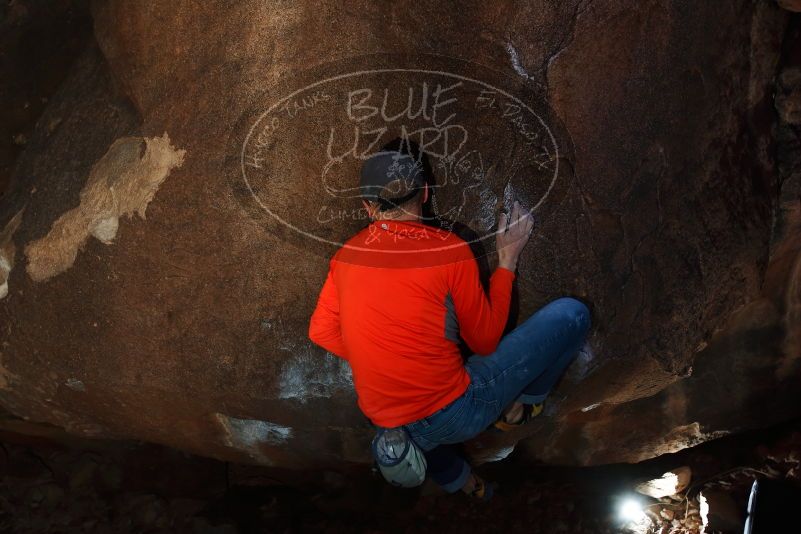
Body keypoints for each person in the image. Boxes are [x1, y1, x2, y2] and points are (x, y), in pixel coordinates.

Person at [308, 140, 590, 499]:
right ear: (424, 193)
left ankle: (464, 484)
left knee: (416, 427)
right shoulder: (448, 252)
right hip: (455, 413)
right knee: (573, 314)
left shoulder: (344, 259)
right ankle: (525, 405)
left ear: (367, 207)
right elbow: (485, 341)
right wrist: (507, 262)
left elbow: (320, 331)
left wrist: (389, 357)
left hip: (387, 424)